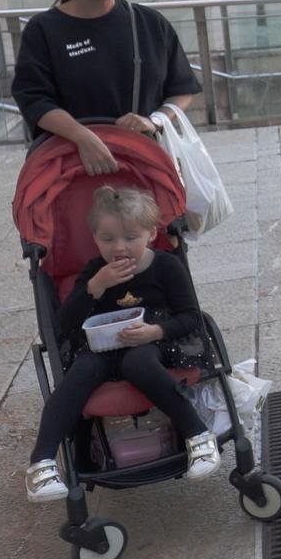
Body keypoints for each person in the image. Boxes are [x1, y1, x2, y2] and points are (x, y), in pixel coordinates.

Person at [26, 185, 219, 501]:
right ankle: (41, 462)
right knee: (81, 371)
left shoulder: (166, 267)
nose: (119, 248)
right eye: (108, 239)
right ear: (95, 239)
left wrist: (155, 331)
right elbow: (66, 325)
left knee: (137, 362)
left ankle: (197, 434)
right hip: (103, 346)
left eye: (131, 238)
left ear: (151, 233)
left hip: (154, 342)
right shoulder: (94, 272)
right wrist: (95, 287)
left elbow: (190, 317)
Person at [12, 0, 203, 176]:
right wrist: (83, 137)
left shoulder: (149, 22)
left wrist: (155, 120)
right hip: (75, 167)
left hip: (146, 160)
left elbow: (181, 89)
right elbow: (33, 98)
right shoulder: (44, 30)